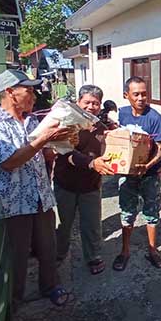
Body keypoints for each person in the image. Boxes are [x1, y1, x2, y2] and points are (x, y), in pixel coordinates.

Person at [0, 69, 76, 307]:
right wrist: (42, 140)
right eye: (29, 90)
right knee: (17, 256)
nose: (34, 95)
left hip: (41, 196)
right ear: (11, 93)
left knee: (47, 247)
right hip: (14, 204)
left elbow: (43, 154)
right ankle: (13, 302)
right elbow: (10, 161)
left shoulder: (32, 120)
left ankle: (50, 286)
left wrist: (63, 143)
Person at [53, 85, 115, 275]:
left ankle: (93, 256)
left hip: (91, 185)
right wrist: (90, 163)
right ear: (78, 103)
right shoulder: (67, 123)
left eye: (95, 103)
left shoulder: (102, 128)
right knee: (63, 224)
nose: (91, 106)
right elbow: (65, 154)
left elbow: (108, 152)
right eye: (87, 102)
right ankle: (58, 254)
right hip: (66, 184)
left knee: (92, 224)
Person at [113, 76, 161, 271]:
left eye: (144, 93)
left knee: (151, 213)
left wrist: (148, 165)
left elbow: (160, 149)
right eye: (136, 94)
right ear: (127, 95)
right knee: (127, 212)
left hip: (149, 174)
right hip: (127, 175)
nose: (141, 98)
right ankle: (125, 251)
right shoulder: (122, 114)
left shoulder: (155, 118)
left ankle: (152, 250)